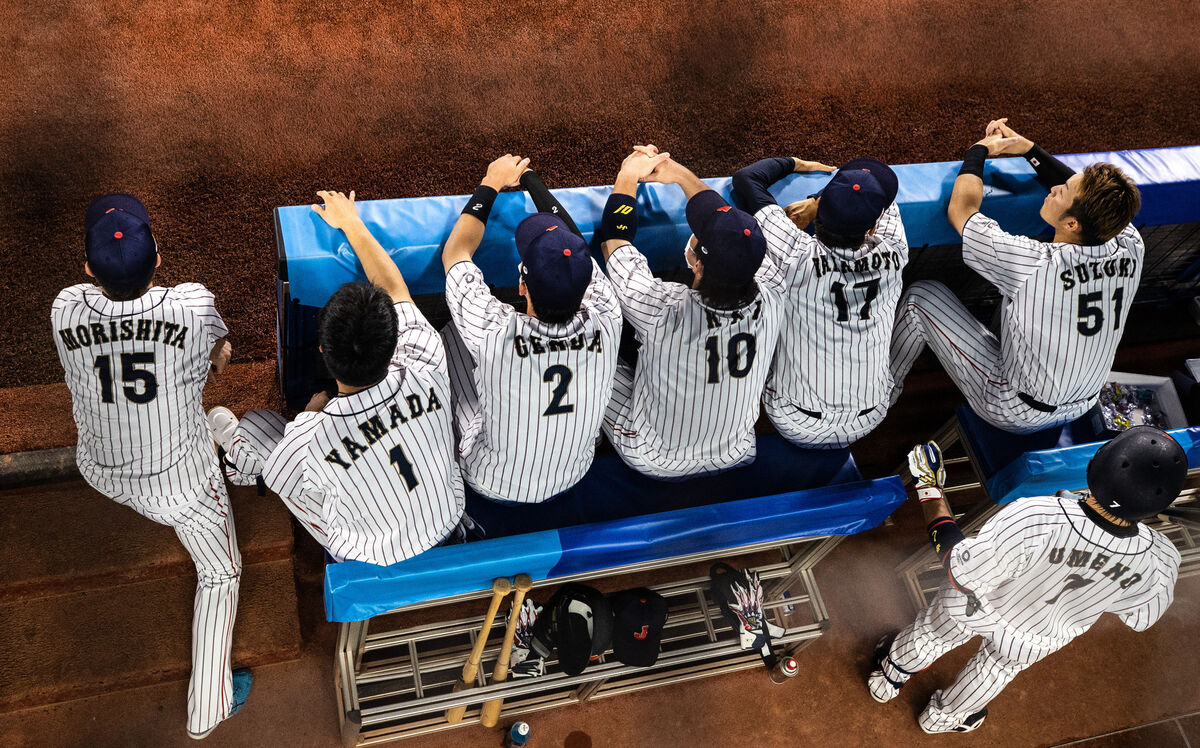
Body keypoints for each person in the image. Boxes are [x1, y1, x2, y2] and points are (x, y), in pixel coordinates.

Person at [51, 193, 249, 740]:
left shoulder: (65, 306)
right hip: (179, 482)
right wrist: (208, 359)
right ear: (158, 258)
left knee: (211, 416)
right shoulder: (190, 303)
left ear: (88, 270)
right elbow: (221, 350)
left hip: (102, 470)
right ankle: (208, 708)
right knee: (222, 572)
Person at [869, 427, 1185, 733]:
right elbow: (1141, 619)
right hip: (1037, 636)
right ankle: (940, 720)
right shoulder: (1161, 561)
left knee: (933, 634)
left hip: (973, 604)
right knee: (993, 671)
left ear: (1095, 464)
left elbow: (957, 566)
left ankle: (887, 677)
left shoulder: (1036, 515)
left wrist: (930, 488)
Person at [210, 189, 466, 566]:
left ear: (322, 353)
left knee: (256, 427)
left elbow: (285, 477)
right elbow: (395, 288)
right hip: (447, 521)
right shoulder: (425, 359)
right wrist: (352, 222)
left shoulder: (307, 437)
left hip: (368, 557)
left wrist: (309, 416)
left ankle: (239, 466)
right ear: (395, 340)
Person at [890, 119, 1144, 433]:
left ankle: (881, 393)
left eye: (1061, 193)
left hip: (1015, 407)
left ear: (1072, 225)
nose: (1052, 189)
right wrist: (1028, 150)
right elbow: (1085, 200)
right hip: (1084, 402)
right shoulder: (1130, 244)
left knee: (920, 298)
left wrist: (978, 150)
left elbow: (962, 209)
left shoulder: (1035, 263)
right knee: (1017, 299)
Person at [439, 155, 622, 502]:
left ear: (521, 286)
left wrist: (492, 182)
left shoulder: (494, 330)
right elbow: (572, 242)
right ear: (587, 287)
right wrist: (532, 181)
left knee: (450, 335)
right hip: (575, 471)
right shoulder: (608, 315)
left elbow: (456, 253)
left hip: (490, 480)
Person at [598, 146, 786, 479]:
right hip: (736, 450)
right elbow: (727, 223)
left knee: (589, 355)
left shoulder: (664, 308)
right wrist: (679, 173)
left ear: (696, 264)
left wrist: (629, 173)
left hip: (653, 455)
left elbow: (614, 240)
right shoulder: (775, 291)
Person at [732, 155, 908, 448]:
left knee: (759, 270)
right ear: (872, 229)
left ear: (819, 217)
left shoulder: (794, 253)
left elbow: (747, 179)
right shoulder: (896, 251)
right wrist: (821, 203)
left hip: (794, 420)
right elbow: (882, 193)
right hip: (872, 417)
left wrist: (814, 198)